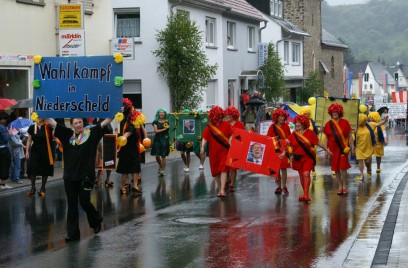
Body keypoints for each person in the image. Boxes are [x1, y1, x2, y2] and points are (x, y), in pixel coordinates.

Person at [46, 117, 113, 242]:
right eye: (75, 123)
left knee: (84, 201)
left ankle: (96, 219)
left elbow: (104, 123)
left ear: (83, 123)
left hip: (86, 176)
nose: (78, 125)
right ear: (71, 125)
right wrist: (41, 112)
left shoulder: (91, 134)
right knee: (71, 205)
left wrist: (115, 112)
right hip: (70, 176)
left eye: (80, 122)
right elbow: (52, 122)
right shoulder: (67, 134)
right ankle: (73, 233)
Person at [284, 115, 331, 202]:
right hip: (297, 158)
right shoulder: (294, 134)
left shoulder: (310, 133)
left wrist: (327, 150)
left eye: (299, 123)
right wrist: (283, 153)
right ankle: (304, 193)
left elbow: (319, 143)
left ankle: (306, 195)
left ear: (303, 123)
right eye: (296, 123)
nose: (297, 124)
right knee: (301, 176)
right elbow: (286, 143)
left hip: (307, 157)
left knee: (306, 174)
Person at [201, 106, 233, 197]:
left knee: (223, 169)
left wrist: (230, 140)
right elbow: (204, 138)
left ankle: (222, 190)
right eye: (216, 116)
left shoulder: (226, 125)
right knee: (215, 172)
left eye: (219, 116)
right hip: (213, 152)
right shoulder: (209, 127)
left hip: (224, 151)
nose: (218, 118)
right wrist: (202, 147)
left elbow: (232, 134)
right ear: (212, 117)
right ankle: (220, 187)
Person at [323, 103, 354, 195]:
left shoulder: (345, 122)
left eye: (336, 111)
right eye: (333, 111)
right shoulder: (328, 124)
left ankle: (344, 186)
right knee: (336, 169)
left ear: (339, 112)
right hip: (332, 150)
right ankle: (340, 186)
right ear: (330, 112)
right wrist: (326, 150)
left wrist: (352, 146)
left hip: (343, 149)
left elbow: (350, 135)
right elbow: (326, 138)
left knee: (343, 168)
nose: (334, 113)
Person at [117, 99, 143, 195]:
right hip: (125, 147)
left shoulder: (132, 117)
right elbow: (121, 131)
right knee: (125, 169)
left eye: (123, 106)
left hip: (133, 146)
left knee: (135, 167)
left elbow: (131, 130)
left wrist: (124, 137)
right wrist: (119, 145)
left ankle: (135, 185)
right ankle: (123, 186)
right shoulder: (120, 118)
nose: (122, 108)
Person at [26, 118, 55, 197]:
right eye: (37, 116)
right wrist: (27, 151)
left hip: (46, 150)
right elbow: (29, 140)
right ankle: (32, 187)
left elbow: (54, 137)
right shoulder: (32, 127)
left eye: (41, 116)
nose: (39, 118)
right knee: (32, 168)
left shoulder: (48, 127)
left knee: (45, 169)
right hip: (35, 150)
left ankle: (43, 188)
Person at [354, 113, 385, 182]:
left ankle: (368, 169)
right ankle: (361, 174)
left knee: (367, 161)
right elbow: (351, 135)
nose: (366, 121)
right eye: (364, 120)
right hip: (359, 147)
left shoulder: (370, 125)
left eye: (366, 120)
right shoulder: (356, 128)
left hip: (368, 147)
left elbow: (378, 124)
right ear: (361, 121)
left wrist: (385, 120)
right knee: (360, 160)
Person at [267, 108, 291, 195]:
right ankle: (278, 186)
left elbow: (289, 138)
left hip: (284, 150)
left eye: (283, 117)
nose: (282, 119)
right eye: (280, 117)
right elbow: (268, 138)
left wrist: (287, 148)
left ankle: (284, 186)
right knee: (276, 169)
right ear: (276, 117)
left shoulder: (286, 126)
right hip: (275, 150)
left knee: (284, 169)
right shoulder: (271, 127)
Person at [224, 106, 245, 192]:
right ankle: (227, 180)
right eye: (227, 114)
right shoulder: (225, 123)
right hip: (226, 147)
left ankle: (232, 184)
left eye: (229, 115)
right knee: (226, 166)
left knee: (233, 166)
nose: (227, 116)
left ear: (233, 115)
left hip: (236, 147)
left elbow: (243, 135)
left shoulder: (239, 124)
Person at [300, 107, 319, 177]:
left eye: (308, 114)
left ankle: (313, 170)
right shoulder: (300, 122)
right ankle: (304, 170)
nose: (307, 115)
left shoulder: (312, 122)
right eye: (305, 114)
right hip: (302, 142)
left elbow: (316, 131)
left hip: (312, 143)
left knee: (312, 156)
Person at [151, 108, 170, 176]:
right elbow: (156, 131)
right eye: (160, 112)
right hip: (157, 139)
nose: (161, 113)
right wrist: (165, 128)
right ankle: (160, 166)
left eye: (163, 112)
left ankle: (162, 170)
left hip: (165, 139)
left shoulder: (168, 121)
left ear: (165, 114)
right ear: (158, 114)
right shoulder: (155, 121)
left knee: (163, 156)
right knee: (157, 156)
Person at [0, 112, 12, 190]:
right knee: (4, 165)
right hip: (3, 149)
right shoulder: (2, 127)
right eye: (5, 119)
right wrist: (10, 133)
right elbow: (7, 139)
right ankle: (3, 184)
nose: (6, 121)